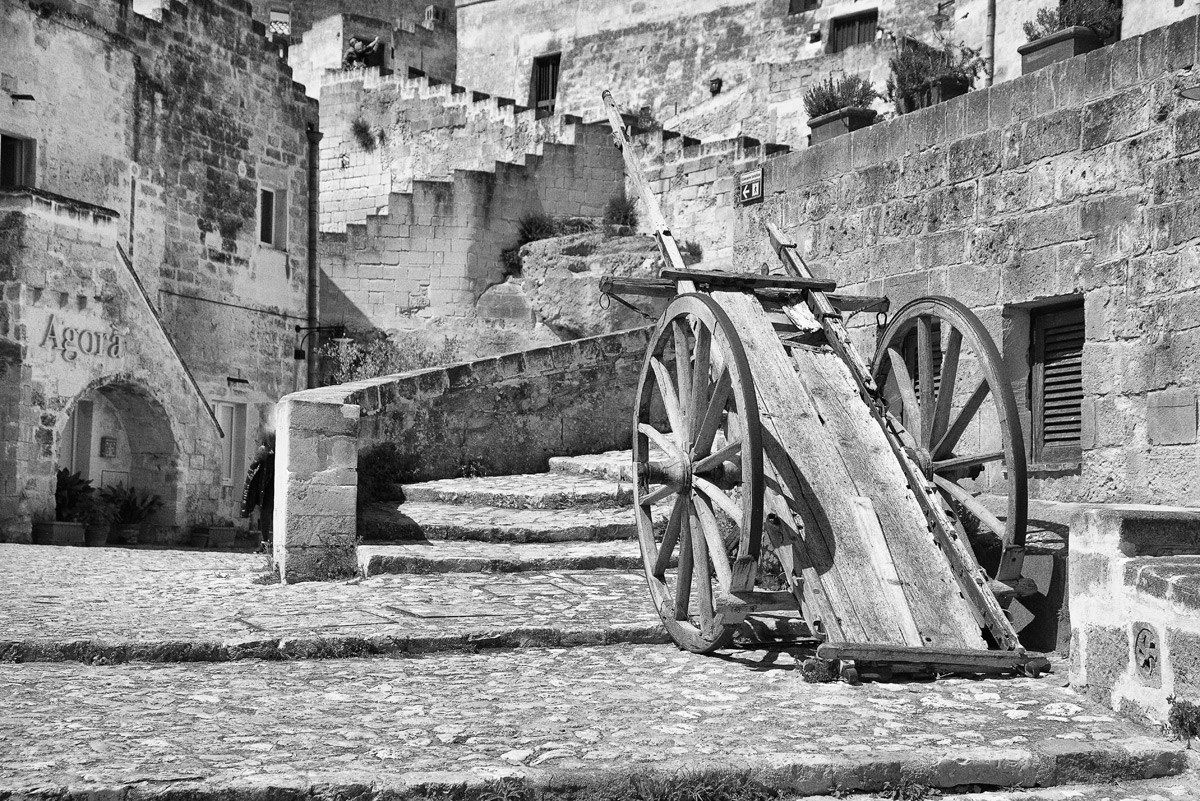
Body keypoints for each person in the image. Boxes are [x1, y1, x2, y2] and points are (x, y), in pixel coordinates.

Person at [240, 433, 276, 550]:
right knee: (265, 514)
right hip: (267, 490)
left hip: (275, 487)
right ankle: (265, 543)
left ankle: (272, 544)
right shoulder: (265, 455)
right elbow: (254, 474)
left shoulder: (278, 455)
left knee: (270, 514)